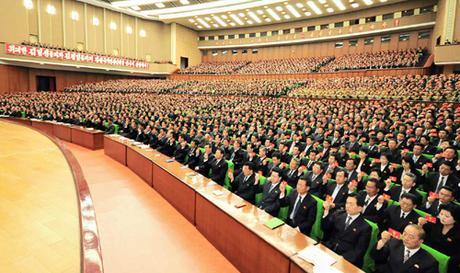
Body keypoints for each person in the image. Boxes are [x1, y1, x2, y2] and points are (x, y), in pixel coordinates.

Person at [321, 193, 371, 268]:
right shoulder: (338, 214)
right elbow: (325, 228)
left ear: (360, 208)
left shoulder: (365, 227)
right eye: (347, 203)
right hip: (330, 251)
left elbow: (359, 251)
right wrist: (326, 211)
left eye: (351, 204)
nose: (347, 206)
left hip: (347, 260)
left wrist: (343, 258)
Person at [371, 224, 438, 273]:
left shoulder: (430, 262)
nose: (406, 238)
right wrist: (382, 242)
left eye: (411, 237)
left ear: (420, 241)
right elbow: (376, 257)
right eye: (404, 234)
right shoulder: (394, 243)